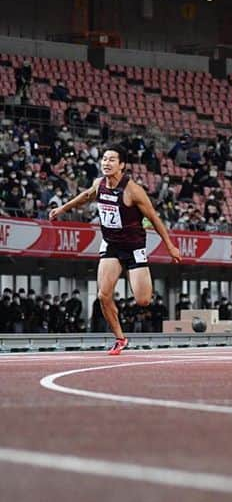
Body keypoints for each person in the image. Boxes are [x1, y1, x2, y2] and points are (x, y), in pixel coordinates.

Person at [48, 148, 181, 354]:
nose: (106, 163)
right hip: (111, 245)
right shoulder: (99, 184)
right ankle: (120, 338)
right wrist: (62, 208)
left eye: (112, 160)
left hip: (134, 247)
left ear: (121, 165)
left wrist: (170, 246)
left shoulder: (133, 190)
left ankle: (137, 276)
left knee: (143, 300)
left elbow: (154, 218)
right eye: (104, 159)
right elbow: (85, 196)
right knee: (103, 295)